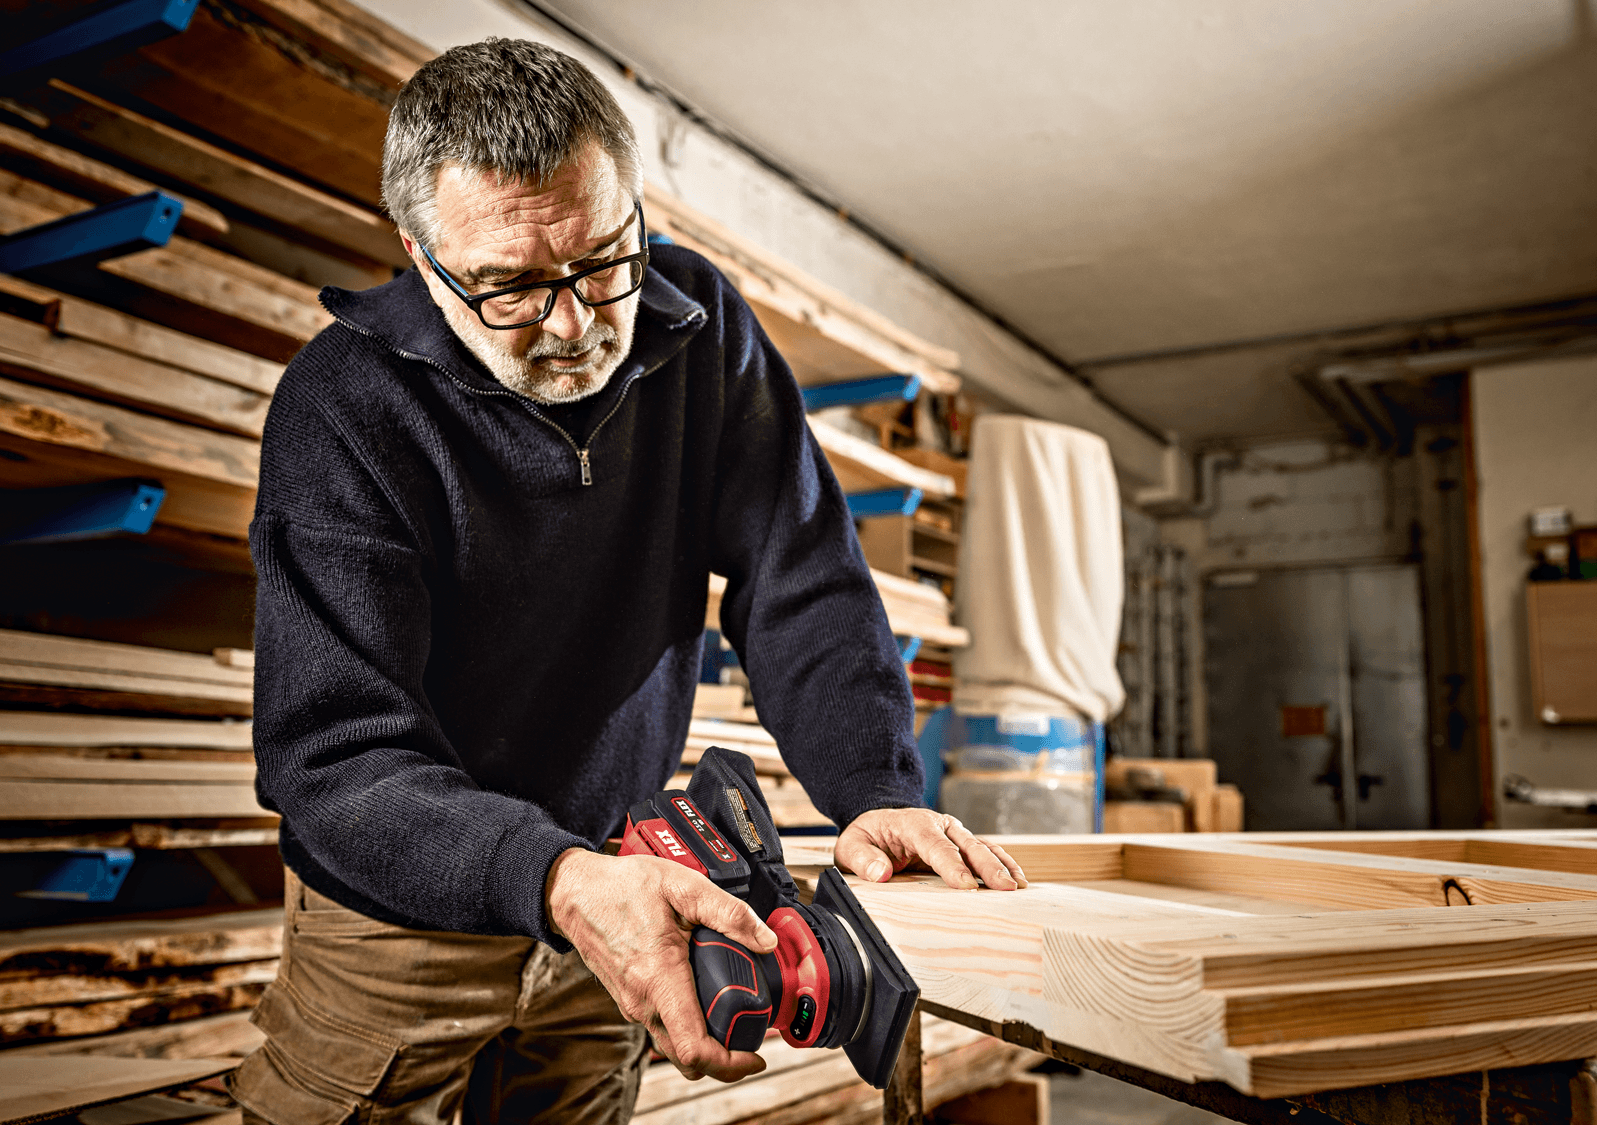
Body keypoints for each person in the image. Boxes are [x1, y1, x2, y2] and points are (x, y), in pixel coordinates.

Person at [228, 37, 1025, 1125]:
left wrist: (873, 789)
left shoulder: (703, 333)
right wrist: (553, 879)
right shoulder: (343, 409)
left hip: (631, 884)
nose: (574, 325)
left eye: (605, 259)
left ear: (634, 204)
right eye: (509, 287)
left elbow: (799, 576)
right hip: (399, 917)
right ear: (420, 256)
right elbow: (332, 752)